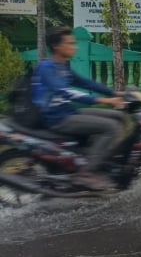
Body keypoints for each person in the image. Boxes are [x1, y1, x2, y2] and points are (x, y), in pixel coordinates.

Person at [32, 27, 125, 190]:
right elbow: (65, 92)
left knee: (117, 117)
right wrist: (104, 100)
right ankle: (86, 173)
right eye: (70, 43)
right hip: (57, 118)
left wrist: (115, 92)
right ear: (57, 46)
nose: (74, 46)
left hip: (68, 111)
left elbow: (86, 83)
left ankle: (96, 156)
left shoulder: (63, 67)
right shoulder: (47, 67)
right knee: (111, 127)